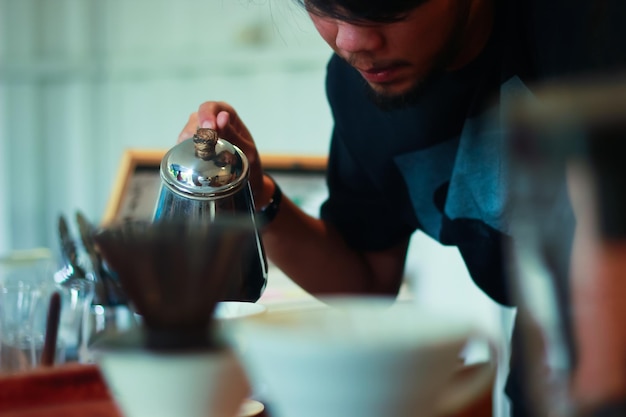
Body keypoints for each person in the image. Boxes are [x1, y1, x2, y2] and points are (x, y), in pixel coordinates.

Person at [177, 1, 626, 416]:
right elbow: (367, 277)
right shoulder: (360, 89)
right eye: (321, 6)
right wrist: (254, 193)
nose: (350, 42)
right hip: (550, 357)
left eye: (382, 5)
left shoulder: (590, 28)